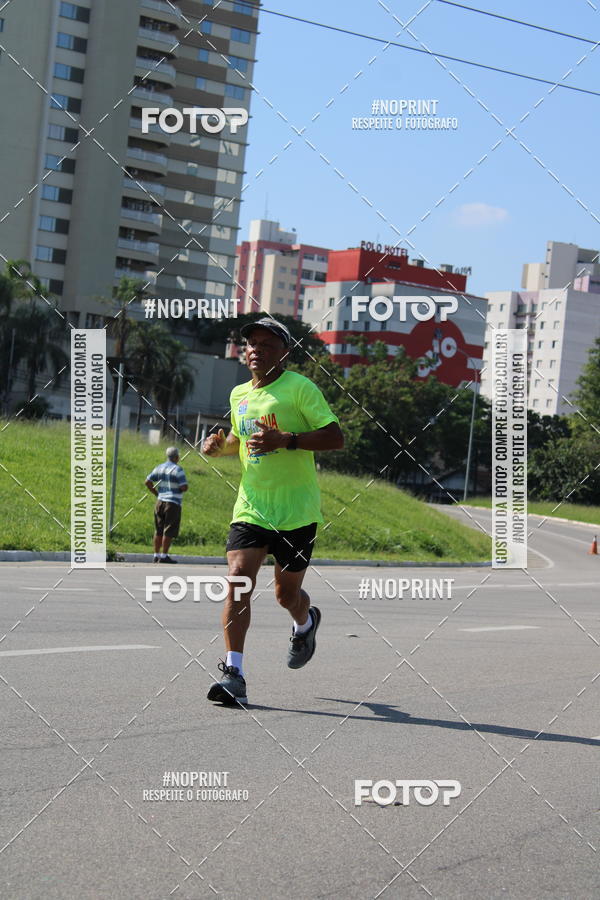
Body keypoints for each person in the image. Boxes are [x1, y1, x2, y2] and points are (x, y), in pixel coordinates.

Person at [202, 317, 344, 705]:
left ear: (285, 351)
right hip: (251, 508)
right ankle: (234, 673)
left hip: (297, 512)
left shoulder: (300, 388)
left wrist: (290, 440)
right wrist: (220, 447)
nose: (256, 350)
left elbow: (335, 437)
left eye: (267, 343)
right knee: (237, 580)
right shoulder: (238, 395)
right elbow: (238, 439)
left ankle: (305, 622)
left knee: (287, 595)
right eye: (251, 343)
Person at [144, 447, 188, 564]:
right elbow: (184, 487)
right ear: (176, 457)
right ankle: (164, 556)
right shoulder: (178, 470)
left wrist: (156, 493)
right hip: (173, 502)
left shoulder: (160, 467)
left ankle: (156, 554)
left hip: (160, 501)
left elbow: (147, 481)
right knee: (168, 529)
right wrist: (180, 488)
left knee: (158, 529)